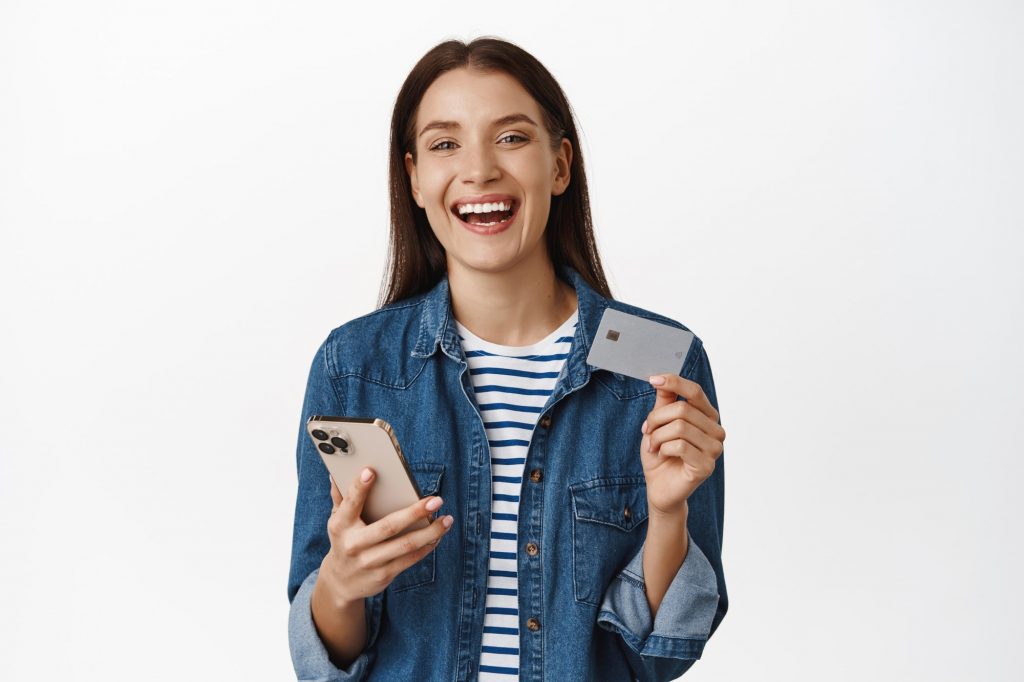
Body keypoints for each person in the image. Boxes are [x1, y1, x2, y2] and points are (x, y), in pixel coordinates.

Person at [287, 36, 728, 681]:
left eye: (511, 138)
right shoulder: (353, 366)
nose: (479, 170)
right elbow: (327, 661)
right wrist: (343, 581)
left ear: (559, 165)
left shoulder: (659, 362)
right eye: (444, 144)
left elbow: (658, 656)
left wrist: (667, 514)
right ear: (412, 177)